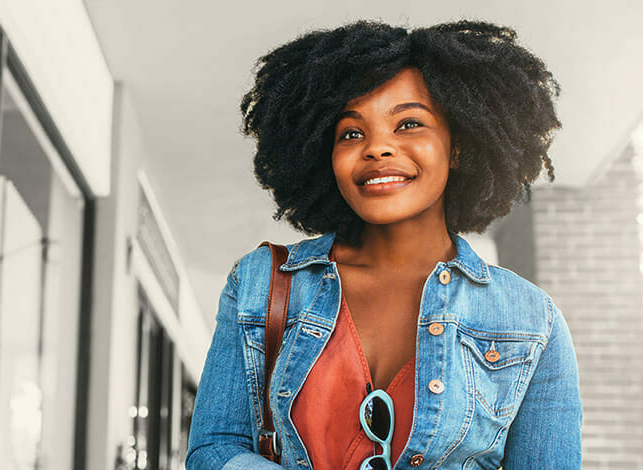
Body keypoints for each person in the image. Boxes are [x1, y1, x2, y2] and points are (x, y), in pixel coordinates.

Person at [185, 20, 582, 470]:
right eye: (351, 133)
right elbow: (214, 450)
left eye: (409, 124)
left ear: (459, 146)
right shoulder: (260, 282)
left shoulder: (532, 321)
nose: (377, 148)